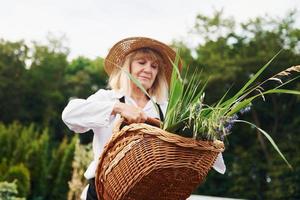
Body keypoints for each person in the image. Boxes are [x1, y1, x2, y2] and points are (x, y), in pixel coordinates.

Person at [62, 37, 225, 200]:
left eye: (154, 66)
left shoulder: (167, 109)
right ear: (128, 67)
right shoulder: (109, 98)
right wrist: (118, 108)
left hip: (150, 192)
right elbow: (69, 115)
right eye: (141, 62)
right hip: (103, 191)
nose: (149, 69)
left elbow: (198, 143)